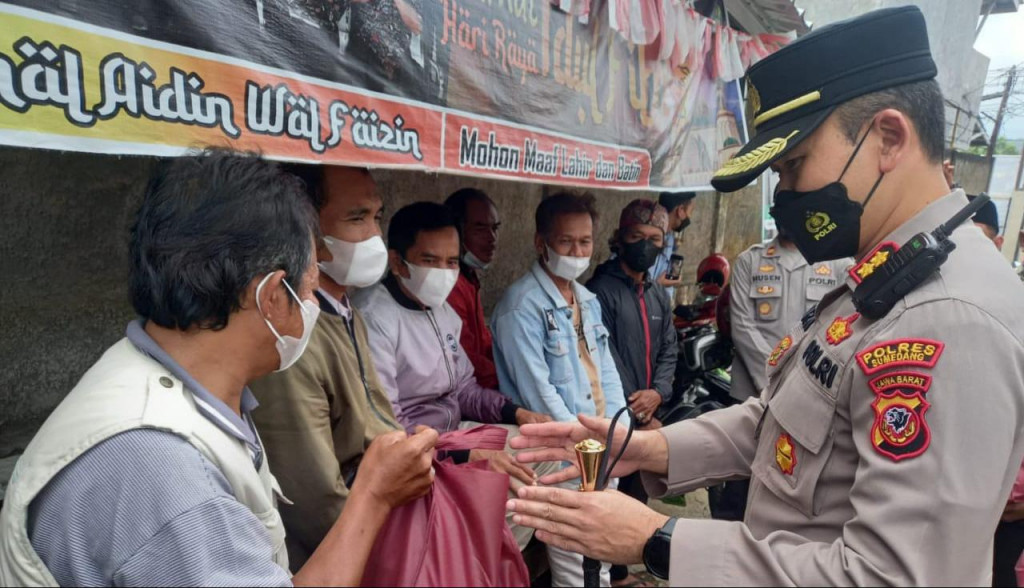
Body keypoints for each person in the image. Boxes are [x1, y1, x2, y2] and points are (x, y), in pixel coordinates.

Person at [506, 7, 1024, 585]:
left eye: (794, 165)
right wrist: (644, 450)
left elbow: (892, 576)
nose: (785, 194)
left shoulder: (949, 318)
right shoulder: (885, 278)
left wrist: (658, 542)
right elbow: (780, 423)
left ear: (888, 137)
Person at [0, 150, 437, 587]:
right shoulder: (167, 478)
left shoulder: (154, 373)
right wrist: (374, 496)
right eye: (310, 282)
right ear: (270, 296)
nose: (313, 301)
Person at [352, 201, 550, 549]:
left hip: (455, 433)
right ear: (397, 261)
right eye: (430, 261)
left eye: (452, 262)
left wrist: (516, 412)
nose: (444, 272)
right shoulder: (374, 317)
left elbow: (465, 390)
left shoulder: (443, 311)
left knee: (544, 451)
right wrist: (464, 455)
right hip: (416, 451)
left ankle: (497, 560)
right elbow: (389, 426)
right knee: (500, 481)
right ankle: (469, 559)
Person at [248, 165, 406, 570]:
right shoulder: (291, 338)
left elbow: (380, 427)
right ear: (308, 229)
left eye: (376, 217)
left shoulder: (347, 312)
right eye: (357, 218)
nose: (374, 236)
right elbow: (317, 502)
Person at [491, 191, 628, 587]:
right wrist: (588, 446)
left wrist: (618, 431)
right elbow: (539, 394)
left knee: (599, 554)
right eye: (566, 241)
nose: (577, 250)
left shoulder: (587, 299)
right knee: (574, 565)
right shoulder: (521, 306)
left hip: (603, 445)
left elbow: (607, 372)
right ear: (541, 243)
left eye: (585, 241)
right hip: (562, 452)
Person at [586, 199, 677, 587]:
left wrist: (658, 393)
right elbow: (602, 356)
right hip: (616, 417)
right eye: (636, 237)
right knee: (613, 495)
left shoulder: (657, 295)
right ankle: (613, 574)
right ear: (620, 238)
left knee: (639, 496)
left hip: (649, 415)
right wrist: (635, 408)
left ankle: (624, 566)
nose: (645, 245)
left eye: (654, 238)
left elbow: (670, 349)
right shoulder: (598, 290)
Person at [729, 234, 850, 400]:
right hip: (751, 393)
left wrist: (800, 381)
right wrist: (772, 378)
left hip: (811, 391)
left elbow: (844, 329)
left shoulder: (838, 262)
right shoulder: (749, 260)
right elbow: (742, 326)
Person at [445, 188, 501, 389]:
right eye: (480, 229)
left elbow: (485, 344)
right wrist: (504, 376)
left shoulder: (469, 277)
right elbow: (465, 356)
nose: (491, 238)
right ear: (457, 231)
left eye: (495, 228)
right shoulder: (450, 284)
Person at [651, 191, 697, 303]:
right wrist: (658, 285)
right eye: (690, 211)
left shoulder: (670, 238)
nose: (689, 217)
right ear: (680, 211)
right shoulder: (648, 238)